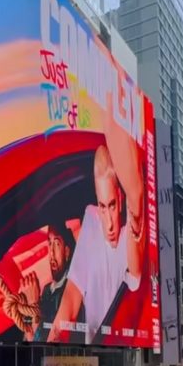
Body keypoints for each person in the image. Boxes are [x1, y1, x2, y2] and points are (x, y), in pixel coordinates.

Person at [48, 139, 145, 344]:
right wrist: (47, 349)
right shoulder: (92, 219)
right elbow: (71, 300)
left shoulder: (131, 227)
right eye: (102, 206)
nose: (109, 224)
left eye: (111, 205)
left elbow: (136, 275)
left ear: (120, 199)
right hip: (93, 354)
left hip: (126, 348)